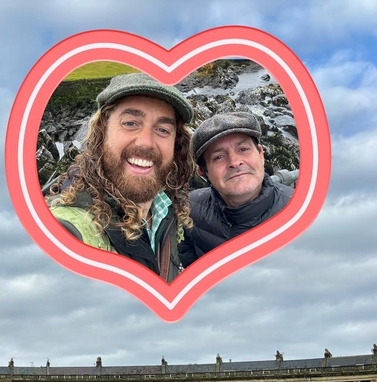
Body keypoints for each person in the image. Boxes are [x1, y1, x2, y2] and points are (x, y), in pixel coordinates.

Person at [48, 72, 195, 281]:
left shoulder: (169, 210)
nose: (146, 142)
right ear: (102, 131)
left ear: (177, 144)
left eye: (163, 130)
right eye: (130, 123)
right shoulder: (66, 231)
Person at [181, 111, 294, 267]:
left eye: (243, 149)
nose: (234, 162)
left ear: (261, 154)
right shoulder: (191, 208)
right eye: (219, 157)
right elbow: (187, 250)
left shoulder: (300, 214)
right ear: (203, 173)